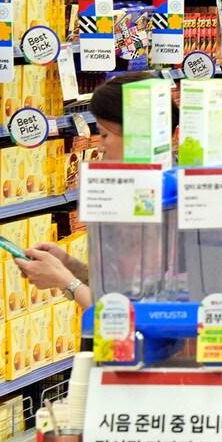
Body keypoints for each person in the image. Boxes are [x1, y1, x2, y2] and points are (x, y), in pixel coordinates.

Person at [17, 74, 164, 311]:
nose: (101, 147)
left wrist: (66, 282)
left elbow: (129, 315)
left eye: (105, 135)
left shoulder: (160, 201)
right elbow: (121, 288)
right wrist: (69, 265)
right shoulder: (135, 191)